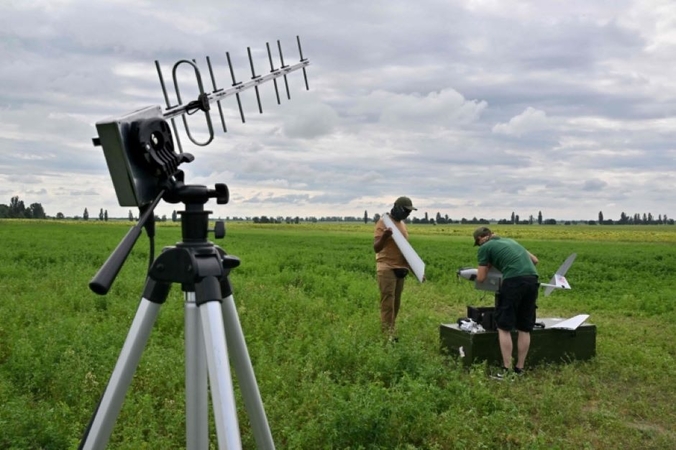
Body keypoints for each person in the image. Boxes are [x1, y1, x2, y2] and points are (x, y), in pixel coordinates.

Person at [473, 226, 539, 377]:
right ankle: (520, 368)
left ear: (480, 239)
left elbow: (481, 278)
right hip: (532, 280)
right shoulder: (511, 241)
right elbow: (535, 260)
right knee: (524, 327)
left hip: (513, 282)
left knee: (503, 326)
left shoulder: (485, 247)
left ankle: (506, 369)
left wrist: (487, 266)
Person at [373, 196, 417, 340]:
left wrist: (415, 269)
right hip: (386, 267)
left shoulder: (402, 224)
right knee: (388, 303)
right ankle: (387, 337)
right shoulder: (383, 222)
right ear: (397, 207)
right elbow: (376, 247)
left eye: (409, 212)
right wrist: (385, 236)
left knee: (396, 303)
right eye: (406, 211)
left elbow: (405, 249)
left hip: (400, 268)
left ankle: (391, 331)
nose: (408, 214)